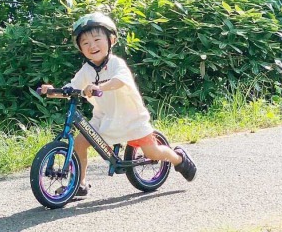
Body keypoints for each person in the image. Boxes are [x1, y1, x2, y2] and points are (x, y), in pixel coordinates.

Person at [39, 11, 197, 197]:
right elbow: (73, 87)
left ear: (111, 40)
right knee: (79, 144)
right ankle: (79, 184)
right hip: (104, 118)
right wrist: (53, 91)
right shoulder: (86, 69)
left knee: (152, 152)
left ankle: (177, 157)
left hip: (130, 118)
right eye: (85, 43)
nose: (92, 46)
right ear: (80, 48)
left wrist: (99, 86)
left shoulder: (116, 63)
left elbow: (119, 81)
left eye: (97, 40)